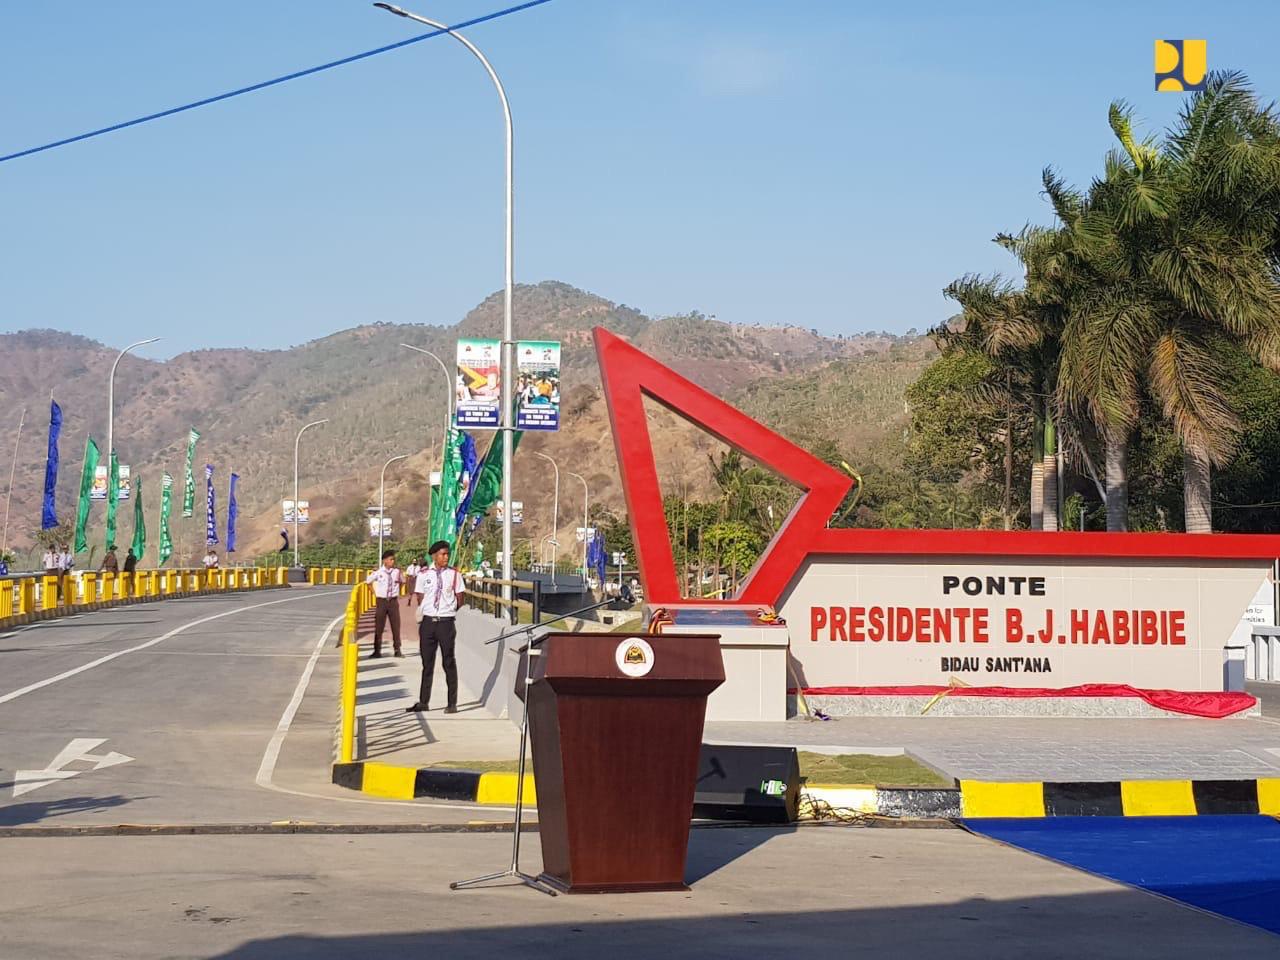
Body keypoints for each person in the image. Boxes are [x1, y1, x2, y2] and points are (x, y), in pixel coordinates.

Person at [406, 540, 465, 714]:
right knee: (427, 663)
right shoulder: (424, 574)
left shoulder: (454, 574)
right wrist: (429, 610)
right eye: (442, 554)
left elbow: (460, 597)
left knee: (448, 661)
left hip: (446, 622)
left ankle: (452, 702)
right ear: (434, 556)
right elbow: (420, 596)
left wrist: (450, 609)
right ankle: (424, 701)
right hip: (428, 623)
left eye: (447, 554)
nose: (446, 557)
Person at [365, 549, 403, 658]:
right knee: (379, 626)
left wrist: (397, 591)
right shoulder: (378, 573)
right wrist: (375, 593)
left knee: (396, 626)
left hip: (393, 601)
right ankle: (377, 650)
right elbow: (368, 582)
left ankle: (397, 649)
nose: (393, 562)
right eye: (391, 560)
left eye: (393, 559)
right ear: (385, 561)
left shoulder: (396, 572)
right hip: (381, 601)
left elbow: (402, 582)